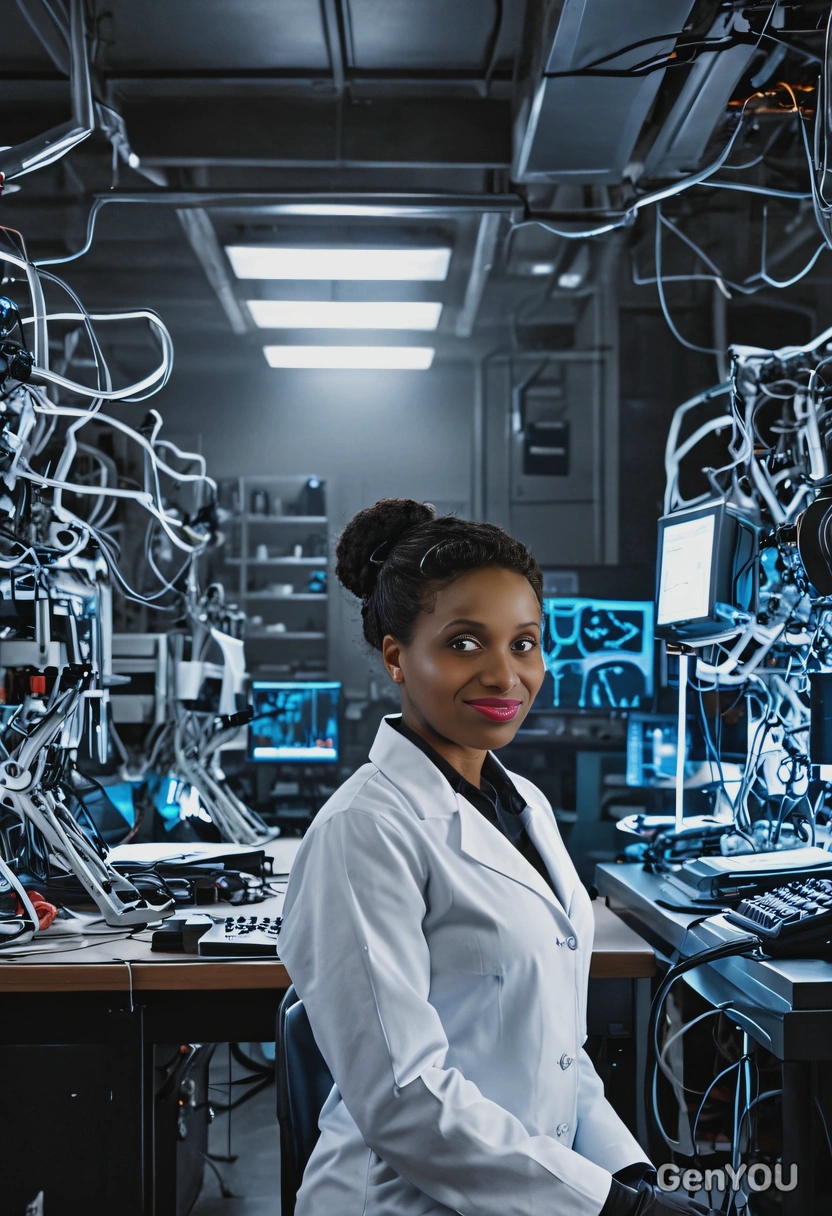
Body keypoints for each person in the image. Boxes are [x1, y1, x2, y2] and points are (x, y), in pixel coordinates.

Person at [279, 499, 715, 1216]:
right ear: (396, 656)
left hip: (540, 1193)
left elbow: (561, 1057)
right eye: (463, 644)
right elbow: (406, 1102)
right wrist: (615, 1209)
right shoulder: (364, 831)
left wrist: (629, 1177)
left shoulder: (526, 806)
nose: (506, 675)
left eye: (524, 643)